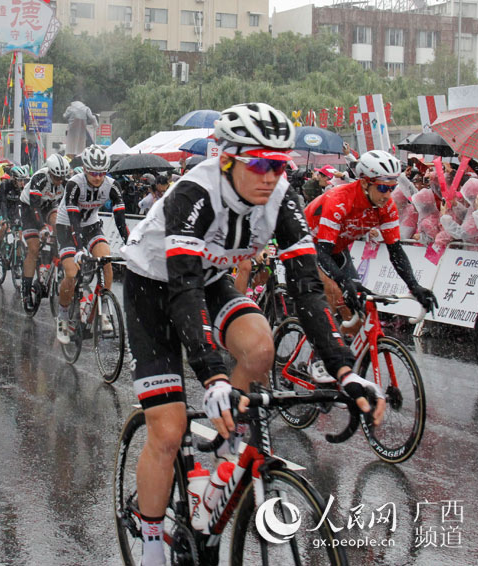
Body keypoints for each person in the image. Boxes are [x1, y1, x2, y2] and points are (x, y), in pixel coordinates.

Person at [119, 103, 386, 565]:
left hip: (207, 280)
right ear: (226, 159)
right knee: (167, 430)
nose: (270, 175)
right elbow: (182, 289)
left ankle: (223, 461)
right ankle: (151, 540)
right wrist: (213, 377)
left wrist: (344, 370)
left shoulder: (281, 198)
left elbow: (307, 290)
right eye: (259, 163)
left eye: (279, 164)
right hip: (155, 288)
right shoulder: (194, 193)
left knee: (261, 347)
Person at [304, 150, 438, 338]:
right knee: (335, 294)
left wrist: (414, 286)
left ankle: (342, 357)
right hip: (309, 245)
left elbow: (396, 251)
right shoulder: (340, 200)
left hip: (337, 248)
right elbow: (322, 252)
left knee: (358, 313)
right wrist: (343, 282)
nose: (388, 194)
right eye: (383, 188)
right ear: (366, 182)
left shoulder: (387, 206)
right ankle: (319, 358)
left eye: (392, 188)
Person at [55, 145, 128, 343]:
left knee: (107, 264)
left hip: (92, 226)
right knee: (71, 273)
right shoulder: (74, 184)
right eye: (94, 173)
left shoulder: (112, 186)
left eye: (102, 173)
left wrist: (130, 244)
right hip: (67, 227)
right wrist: (79, 248)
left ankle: (101, 314)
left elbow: (120, 218)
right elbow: (73, 218)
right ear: (85, 169)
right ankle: (62, 316)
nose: (98, 178)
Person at [20, 153, 71, 308]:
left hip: (49, 206)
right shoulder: (39, 178)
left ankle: (53, 258)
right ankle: (26, 291)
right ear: (49, 172)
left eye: (62, 178)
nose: (59, 181)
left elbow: (67, 208)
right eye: (56, 177)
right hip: (30, 208)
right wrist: (42, 227)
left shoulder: (65, 182)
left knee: (58, 224)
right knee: (34, 249)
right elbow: (35, 206)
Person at [0, 165, 27, 255]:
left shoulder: (23, 188)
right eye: (20, 180)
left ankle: (17, 259)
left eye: (23, 180)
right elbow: (3, 202)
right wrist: (4, 218)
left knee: (19, 232)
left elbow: (25, 204)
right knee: (4, 227)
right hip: (0, 209)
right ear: (14, 179)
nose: (22, 183)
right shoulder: (5, 185)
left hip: (13, 211)